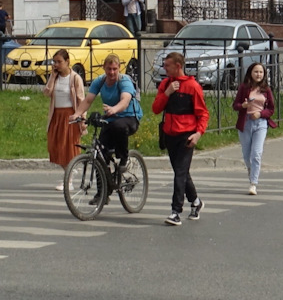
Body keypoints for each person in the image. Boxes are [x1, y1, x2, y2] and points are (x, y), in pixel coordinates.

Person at [152, 52, 209, 225]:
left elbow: (203, 113)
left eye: (167, 65)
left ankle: (175, 211)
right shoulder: (165, 84)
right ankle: (196, 202)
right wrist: (167, 93)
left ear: (178, 66)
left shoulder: (192, 87)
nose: (164, 68)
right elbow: (155, 108)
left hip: (187, 135)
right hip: (170, 134)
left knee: (180, 173)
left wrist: (198, 134)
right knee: (181, 172)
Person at [85, 53, 141, 171]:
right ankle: (104, 188)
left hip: (129, 117)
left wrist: (114, 109)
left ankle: (123, 159)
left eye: (115, 69)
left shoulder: (124, 80)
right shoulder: (100, 81)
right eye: (109, 69)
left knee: (118, 126)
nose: (111, 72)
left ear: (119, 68)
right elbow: (88, 100)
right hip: (110, 118)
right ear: (104, 68)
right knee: (100, 153)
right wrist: (77, 114)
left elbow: (125, 100)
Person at [233, 62, 276, 195]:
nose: (258, 74)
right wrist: (244, 106)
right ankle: (251, 171)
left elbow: (271, 109)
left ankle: (253, 184)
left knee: (256, 154)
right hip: (245, 123)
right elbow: (235, 105)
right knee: (247, 156)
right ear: (250, 73)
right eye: (256, 72)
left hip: (260, 124)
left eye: (261, 72)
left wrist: (261, 114)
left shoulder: (266, 89)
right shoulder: (244, 87)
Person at [44, 49, 84, 184]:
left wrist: (81, 118)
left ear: (67, 62)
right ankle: (70, 171)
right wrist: (52, 77)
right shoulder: (55, 77)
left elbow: (81, 99)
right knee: (54, 147)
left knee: (68, 148)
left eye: (59, 62)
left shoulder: (74, 78)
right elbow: (47, 93)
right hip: (56, 115)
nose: (56, 65)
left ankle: (69, 180)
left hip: (70, 116)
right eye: (54, 62)